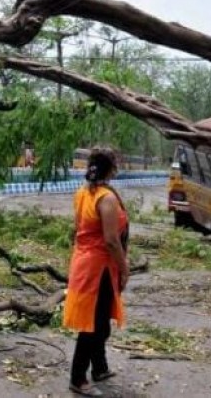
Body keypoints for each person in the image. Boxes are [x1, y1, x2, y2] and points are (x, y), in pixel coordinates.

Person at [63, 147, 130, 397]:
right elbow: (111, 240)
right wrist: (125, 268)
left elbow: (77, 230)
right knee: (93, 324)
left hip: (85, 262)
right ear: (111, 169)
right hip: (97, 268)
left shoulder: (83, 194)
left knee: (100, 321)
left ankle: (100, 368)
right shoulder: (106, 198)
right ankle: (77, 378)